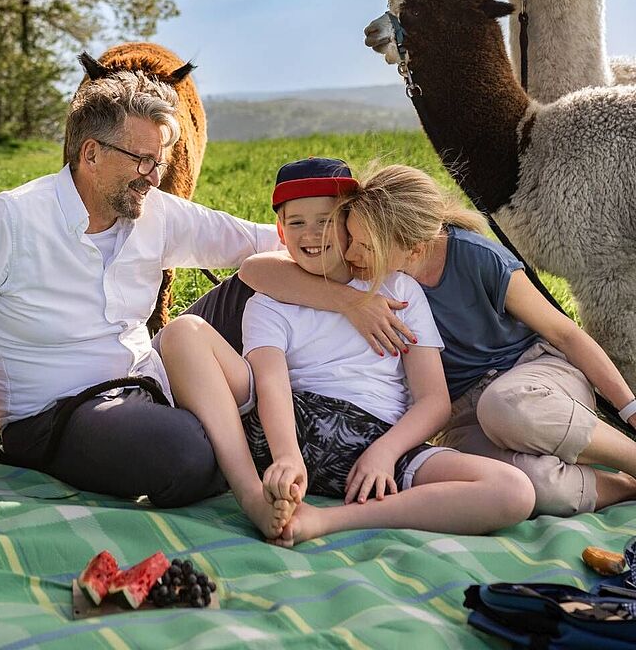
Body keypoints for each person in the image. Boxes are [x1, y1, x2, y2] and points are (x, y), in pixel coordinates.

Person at [0, 70, 286, 524]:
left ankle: (274, 425)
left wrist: (361, 287)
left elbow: (264, 242)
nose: (154, 178)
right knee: (185, 454)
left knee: (258, 282)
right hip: (58, 416)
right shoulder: (7, 220)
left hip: (150, 376)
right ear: (91, 153)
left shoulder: (153, 212)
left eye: (159, 162)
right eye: (142, 161)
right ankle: (252, 437)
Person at [157, 157, 535, 545]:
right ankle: (252, 495)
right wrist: (287, 456)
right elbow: (270, 381)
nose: (311, 234)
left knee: (513, 491)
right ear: (281, 233)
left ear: (350, 225)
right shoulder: (271, 301)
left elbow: (433, 400)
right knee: (183, 331)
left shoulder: (397, 289)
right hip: (284, 428)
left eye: (326, 220)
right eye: (297, 222)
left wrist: (386, 451)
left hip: (379, 440)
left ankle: (327, 521)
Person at [242, 163, 636, 516]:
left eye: (363, 245)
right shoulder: (376, 271)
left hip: (531, 373)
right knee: (536, 487)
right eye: (352, 238)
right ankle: (622, 487)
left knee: (508, 407)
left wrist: (629, 407)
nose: (352, 253)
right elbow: (256, 271)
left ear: (411, 248)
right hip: (463, 408)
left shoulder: (478, 259)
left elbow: (565, 332)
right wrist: (349, 302)